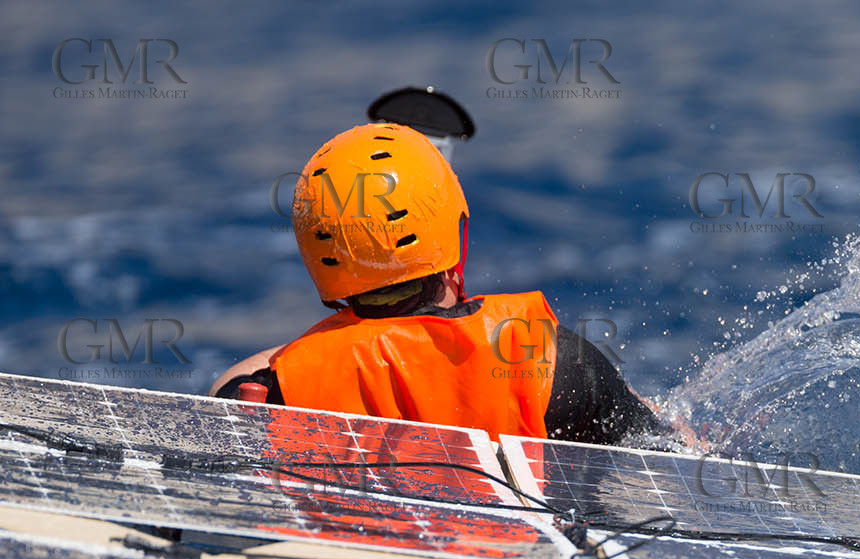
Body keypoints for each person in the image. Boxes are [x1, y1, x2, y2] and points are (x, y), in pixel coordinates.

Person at [209, 123, 663, 445]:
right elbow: (667, 457)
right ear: (455, 241)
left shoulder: (278, 390)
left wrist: (294, 355)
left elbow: (223, 391)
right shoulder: (555, 363)